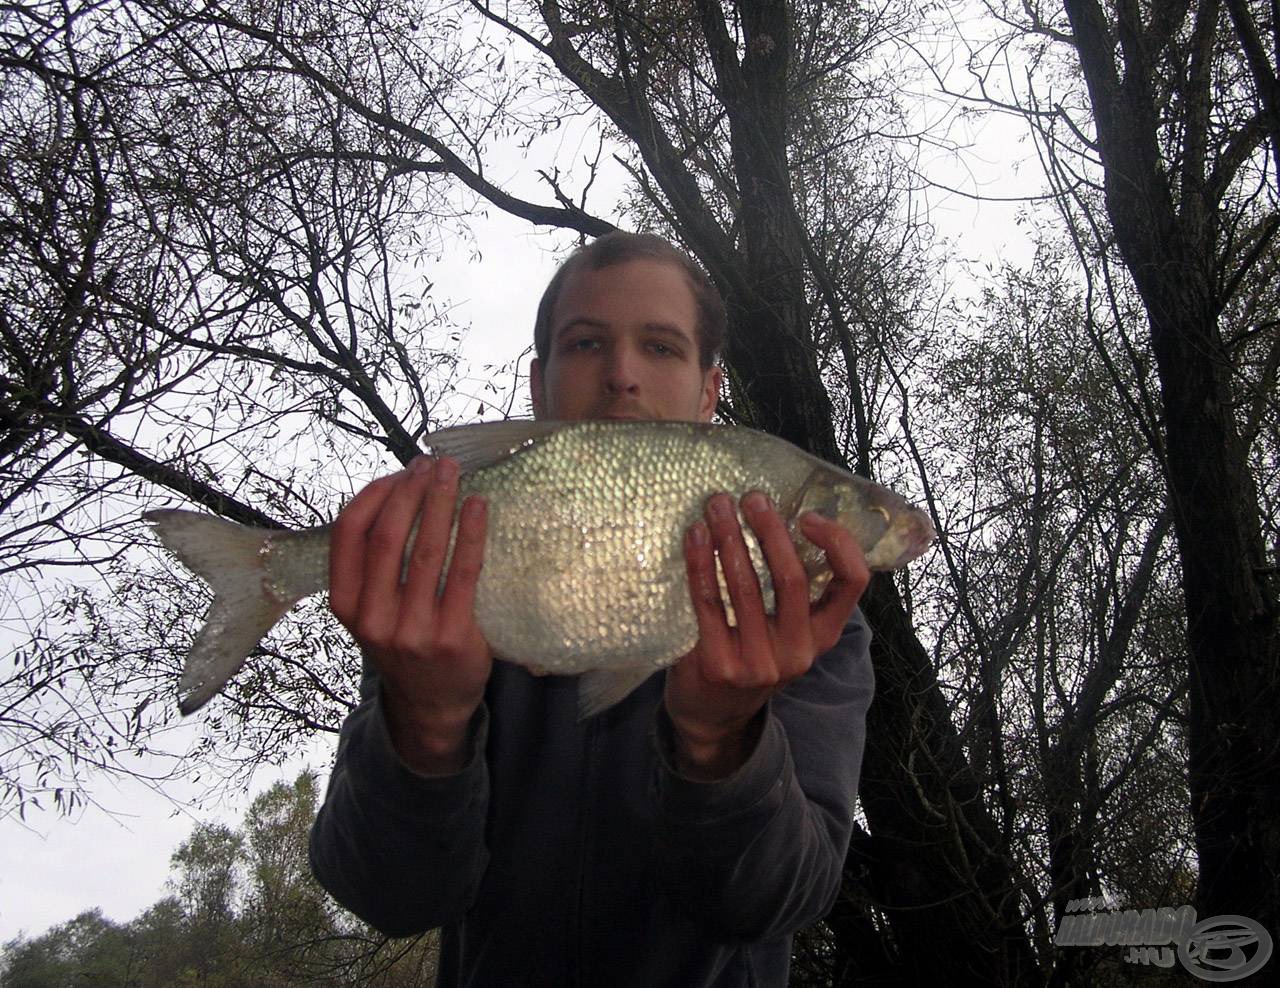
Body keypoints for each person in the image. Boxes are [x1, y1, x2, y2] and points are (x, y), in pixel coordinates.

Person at [309, 232, 874, 986]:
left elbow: (776, 900)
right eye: (585, 344)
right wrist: (428, 723)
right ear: (539, 387)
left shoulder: (802, 614)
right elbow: (389, 895)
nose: (621, 376)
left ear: (710, 393)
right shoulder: (438, 588)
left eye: (662, 348)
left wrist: (720, 742)